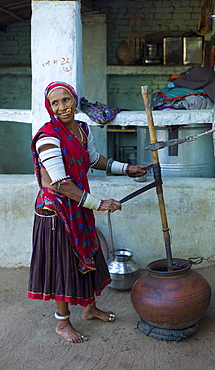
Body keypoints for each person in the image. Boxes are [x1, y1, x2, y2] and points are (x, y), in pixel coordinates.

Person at [27, 81, 147, 343]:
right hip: (56, 211)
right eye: (55, 102)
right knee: (63, 265)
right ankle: (62, 324)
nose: (62, 107)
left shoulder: (81, 130)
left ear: (75, 100)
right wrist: (99, 203)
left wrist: (127, 168)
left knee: (88, 256)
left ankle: (89, 309)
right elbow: (60, 184)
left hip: (78, 205)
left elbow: (94, 160)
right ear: (49, 106)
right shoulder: (48, 137)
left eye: (66, 100)